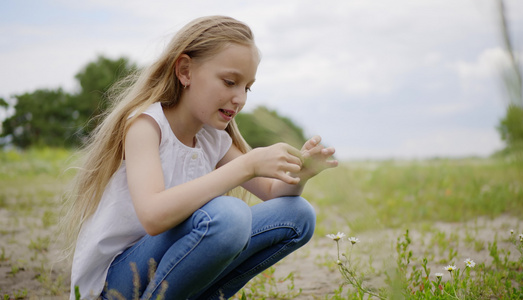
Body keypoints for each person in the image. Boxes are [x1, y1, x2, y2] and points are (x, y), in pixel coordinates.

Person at [61, 15, 338, 300]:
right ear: (185, 71)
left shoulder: (212, 138)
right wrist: (247, 164)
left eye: (247, 87)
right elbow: (153, 216)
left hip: (168, 272)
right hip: (117, 284)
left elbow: (272, 193)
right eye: (230, 82)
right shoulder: (146, 127)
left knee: (298, 214)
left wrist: (299, 174)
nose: (240, 98)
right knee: (230, 216)